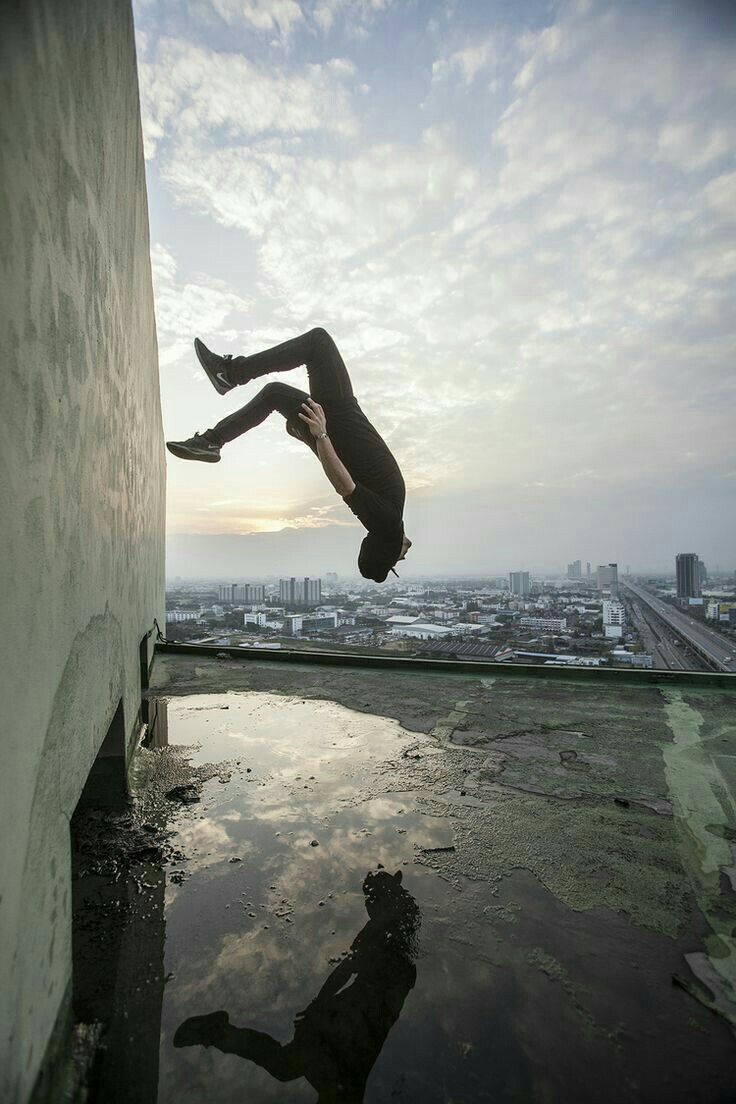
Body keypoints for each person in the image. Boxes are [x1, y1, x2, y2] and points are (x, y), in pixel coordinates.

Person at [166, 327, 412, 582]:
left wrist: (320, 435)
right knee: (273, 394)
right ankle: (211, 440)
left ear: (386, 551)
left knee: (317, 343)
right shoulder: (386, 518)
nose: (406, 554)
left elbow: (344, 485)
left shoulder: (386, 523)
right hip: (336, 425)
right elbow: (351, 472)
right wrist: (312, 439)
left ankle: (230, 376)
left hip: (338, 417)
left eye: (398, 559)